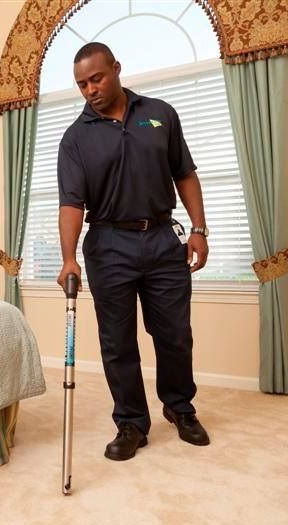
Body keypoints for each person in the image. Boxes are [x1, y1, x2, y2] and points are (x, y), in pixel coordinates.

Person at [56, 42, 211, 461]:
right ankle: (130, 422)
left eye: (97, 78)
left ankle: (180, 409)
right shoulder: (75, 139)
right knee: (117, 341)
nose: (89, 89)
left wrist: (198, 229)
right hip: (108, 245)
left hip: (163, 239)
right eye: (81, 84)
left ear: (117, 69)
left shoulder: (160, 114)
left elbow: (185, 173)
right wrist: (69, 257)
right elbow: (71, 203)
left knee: (175, 335)